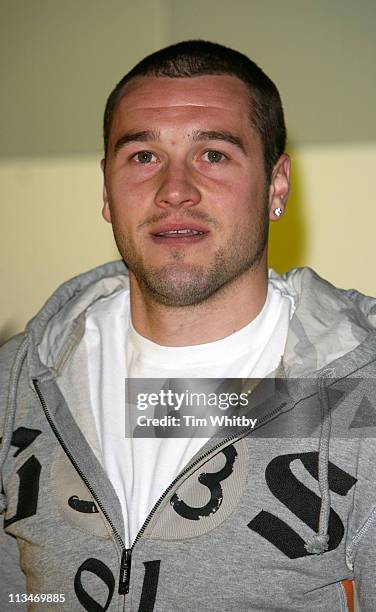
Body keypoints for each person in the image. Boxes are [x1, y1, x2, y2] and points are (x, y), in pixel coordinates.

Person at [0, 39, 375, 612]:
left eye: (214, 155)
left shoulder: (363, 389)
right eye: (143, 156)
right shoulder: (15, 386)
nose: (174, 190)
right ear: (107, 189)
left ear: (276, 185)